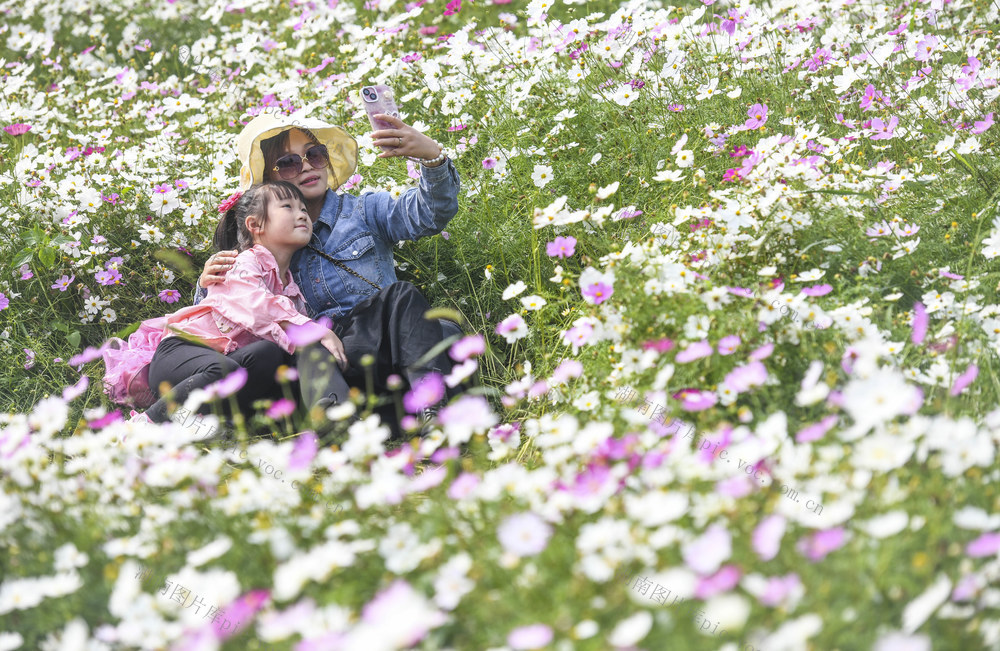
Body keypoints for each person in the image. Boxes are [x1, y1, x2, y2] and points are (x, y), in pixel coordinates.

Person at [195, 110, 466, 428]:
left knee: (435, 324)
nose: (307, 165)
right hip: (320, 363)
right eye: (288, 163)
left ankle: (428, 412)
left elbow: (429, 215)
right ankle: (367, 423)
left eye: (315, 155)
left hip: (386, 342)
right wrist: (205, 282)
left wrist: (432, 157)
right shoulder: (259, 243)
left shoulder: (364, 211)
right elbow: (228, 309)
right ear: (269, 179)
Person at [102, 181, 349, 424]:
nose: (302, 215)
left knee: (270, 354)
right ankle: (147, 423)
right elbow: (255, 305)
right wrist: (311, 328)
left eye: (304, 209)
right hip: (180, 355)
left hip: (223, 364)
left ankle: (211, 421)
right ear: (255, 224)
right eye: (288, 207)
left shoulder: (291, 290)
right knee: (224, 369)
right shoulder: (240, 264)